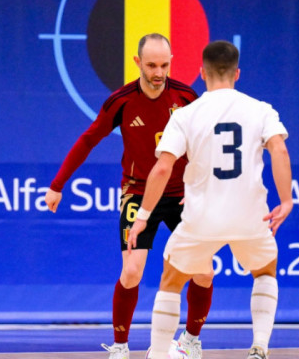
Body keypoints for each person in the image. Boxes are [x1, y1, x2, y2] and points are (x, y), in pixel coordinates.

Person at [45, 33, 213, 359]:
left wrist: (200, 186)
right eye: (151, 65)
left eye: (164, 65)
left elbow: (207, 146)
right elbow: (88, 140)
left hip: (181, 196)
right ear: (137, 63)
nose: (159, 72)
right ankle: (120, 346)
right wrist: (58, 184)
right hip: (138, 193)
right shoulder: (121, 101)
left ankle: (190, 340)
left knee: (204, 272)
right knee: (132, 271)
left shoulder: (187, 97)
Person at [128, 40, 293, 359]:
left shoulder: (186, 115)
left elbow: (163, 168)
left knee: (171, 280)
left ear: (201, 73)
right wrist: (285, 200)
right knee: (265, 271)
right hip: (250, 216)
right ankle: (259, 347)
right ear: (237, 73)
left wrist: (143, 216)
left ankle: (159, 354)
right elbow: (280, 150)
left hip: (201, 216)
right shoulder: (261, 110)